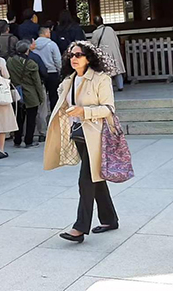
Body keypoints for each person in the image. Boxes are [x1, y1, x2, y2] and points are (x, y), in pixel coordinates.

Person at [52, 41, 119, 243]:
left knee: (86, 180)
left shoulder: (101, 79)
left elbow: (109, 108)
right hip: (78, 134)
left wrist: (85, 111)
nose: (74, 58)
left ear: (89, 58)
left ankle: (79, 228)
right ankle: (109, 219)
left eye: (79, 55)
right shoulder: (68, 81)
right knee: (95, 177)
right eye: (71, 55)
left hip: (97, 134)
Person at [7, 41, 46, 148]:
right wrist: (41, 97)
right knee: (31, 119)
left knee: (18, 118)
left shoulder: (10, 62)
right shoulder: (31, 64)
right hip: (31, 94)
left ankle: (17, 139)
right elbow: (37, 83)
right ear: (27, 50)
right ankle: (28, 140)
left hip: (16, 93)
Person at [91, 16, 126, 91]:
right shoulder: (110, 29)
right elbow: (116, 40)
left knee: (106, 71)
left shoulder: (95, 33)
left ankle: (108, 87)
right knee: (117, 70)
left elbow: (93, 45)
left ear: (94, 24)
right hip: (114, 51)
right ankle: (120, 86)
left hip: (104, 53)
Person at [33, 26, 62, 112]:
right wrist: (59, 70)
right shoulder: (52, 44)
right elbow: (57, 59)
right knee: (53, 95)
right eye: (49, 32)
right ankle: (54, 113)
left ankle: (42, 116)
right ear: (45, 33)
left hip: (38, 73)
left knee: (40, 95)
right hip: (52, 72)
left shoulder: (33, 45)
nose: (50, 34)